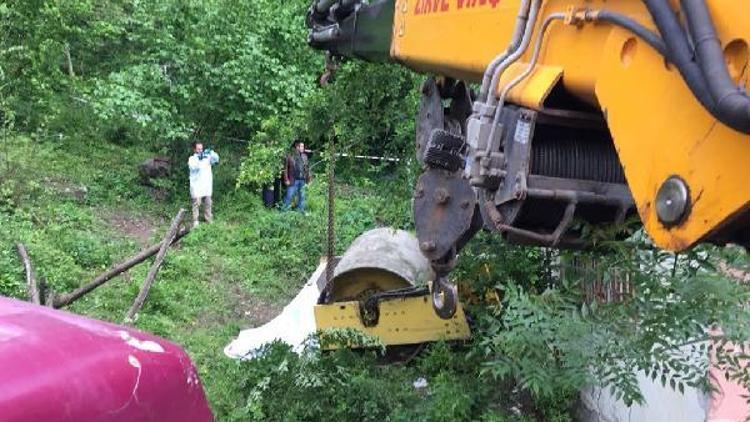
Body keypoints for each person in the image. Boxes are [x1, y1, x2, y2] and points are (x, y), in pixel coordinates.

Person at [188, 141, 219, 227]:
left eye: (201, 149)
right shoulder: (192, 159)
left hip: (206, 184)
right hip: (197, 185)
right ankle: (195, 221)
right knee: (196, 203)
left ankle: (208, 219)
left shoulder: (207, 157)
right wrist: (199, 159)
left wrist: (211, 152)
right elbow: (193, 167)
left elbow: (216, 159)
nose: (200, 150)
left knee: (208, 203)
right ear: (194, 149)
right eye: (198, 149)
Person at [283, 140, 311, 212]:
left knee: (302, 196)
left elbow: (307, 169)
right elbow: (285, 168)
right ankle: (285, 212)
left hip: (302, 180)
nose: (303, 148)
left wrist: (308, 179)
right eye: (301, 146)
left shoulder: (305, 156)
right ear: (297, 146)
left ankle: (300, 211)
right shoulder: (290, 156)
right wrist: (286, 179)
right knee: (289, 196)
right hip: (293, 180)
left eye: (303, 146)